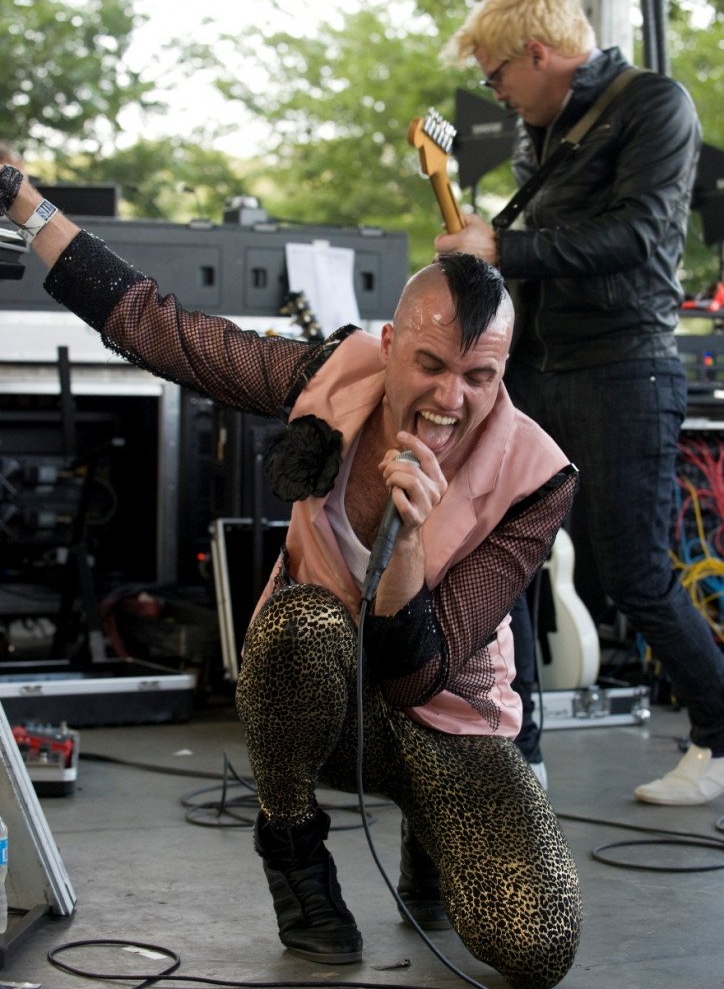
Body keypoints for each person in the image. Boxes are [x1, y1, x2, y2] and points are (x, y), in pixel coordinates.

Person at [1, 162, 582, 989]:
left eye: (479, 376)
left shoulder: (539, 478)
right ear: (391, 345)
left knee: (538, 944)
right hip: (324, 704)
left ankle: (431, 832)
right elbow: (165, 330)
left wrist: (411, 543)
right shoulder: (333, 374)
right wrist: (23, 202)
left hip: (448, 719)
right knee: (298, 623)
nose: (452, 398)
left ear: (504, 369)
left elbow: (413, 675)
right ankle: (294, 851)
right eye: (430, 365)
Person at [434, 0, 724, 807]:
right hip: (540, 366)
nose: (492, 91)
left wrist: (504, 251)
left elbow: (638, 233)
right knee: (502, 564)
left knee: (635, 575)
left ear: (537, 53)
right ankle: (518, 753)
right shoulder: (544, 129)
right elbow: (543, 244)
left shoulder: (654, 104)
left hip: (622, 365)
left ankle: (718, 736)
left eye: (496, 74)